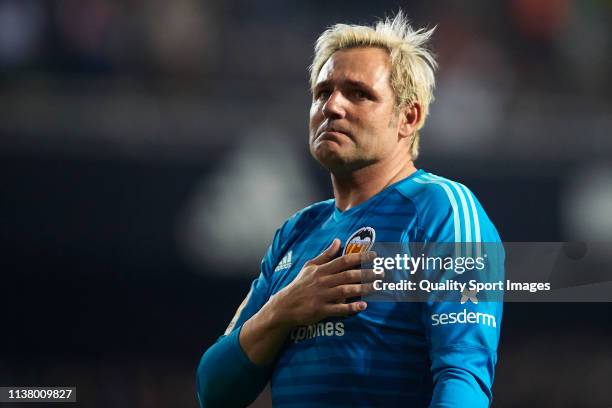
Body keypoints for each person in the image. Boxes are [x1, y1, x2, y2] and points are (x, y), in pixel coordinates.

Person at [196, 11, 502, 407]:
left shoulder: (442, 210)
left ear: (408, 117)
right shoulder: (296, 234)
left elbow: (463, 377)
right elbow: (213, 390)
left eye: (358, 93)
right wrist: (284, 308)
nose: (332, 107)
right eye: (322, 93)